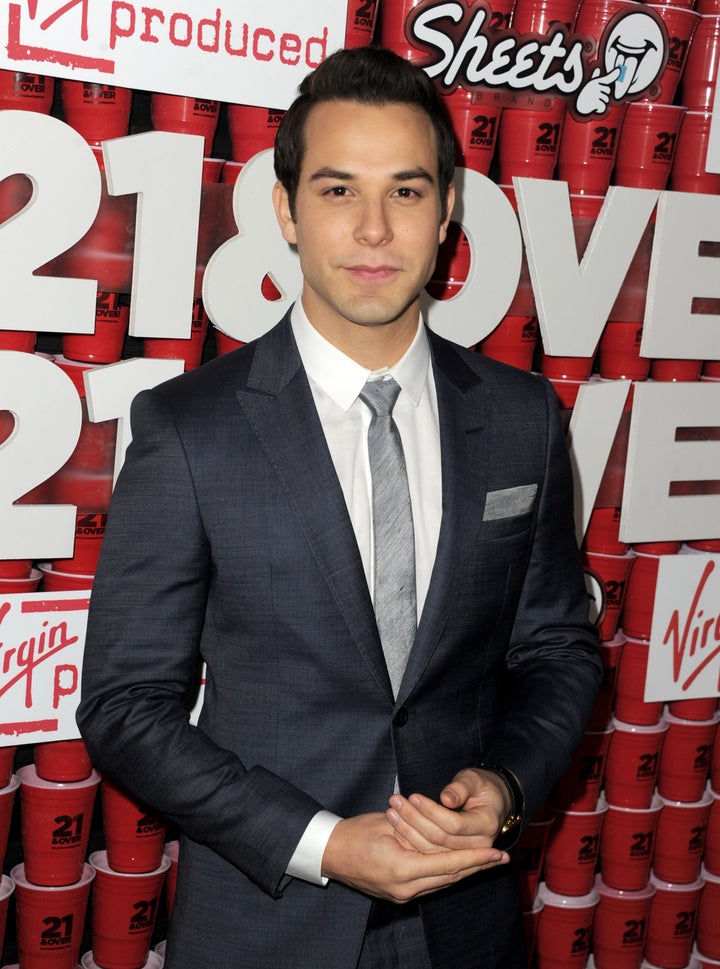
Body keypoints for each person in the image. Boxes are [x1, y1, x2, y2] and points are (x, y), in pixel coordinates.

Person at [77, 45, 601, 969]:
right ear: (285, 209)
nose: (372, 230)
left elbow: (558, 647)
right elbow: (127, 704)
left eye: (405, 191)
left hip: (467, 919)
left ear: (446, 211)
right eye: (335, 191)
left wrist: (505, 781)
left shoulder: (521, 417)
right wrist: (322, 841)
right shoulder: (189, 427)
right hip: (268, 920)